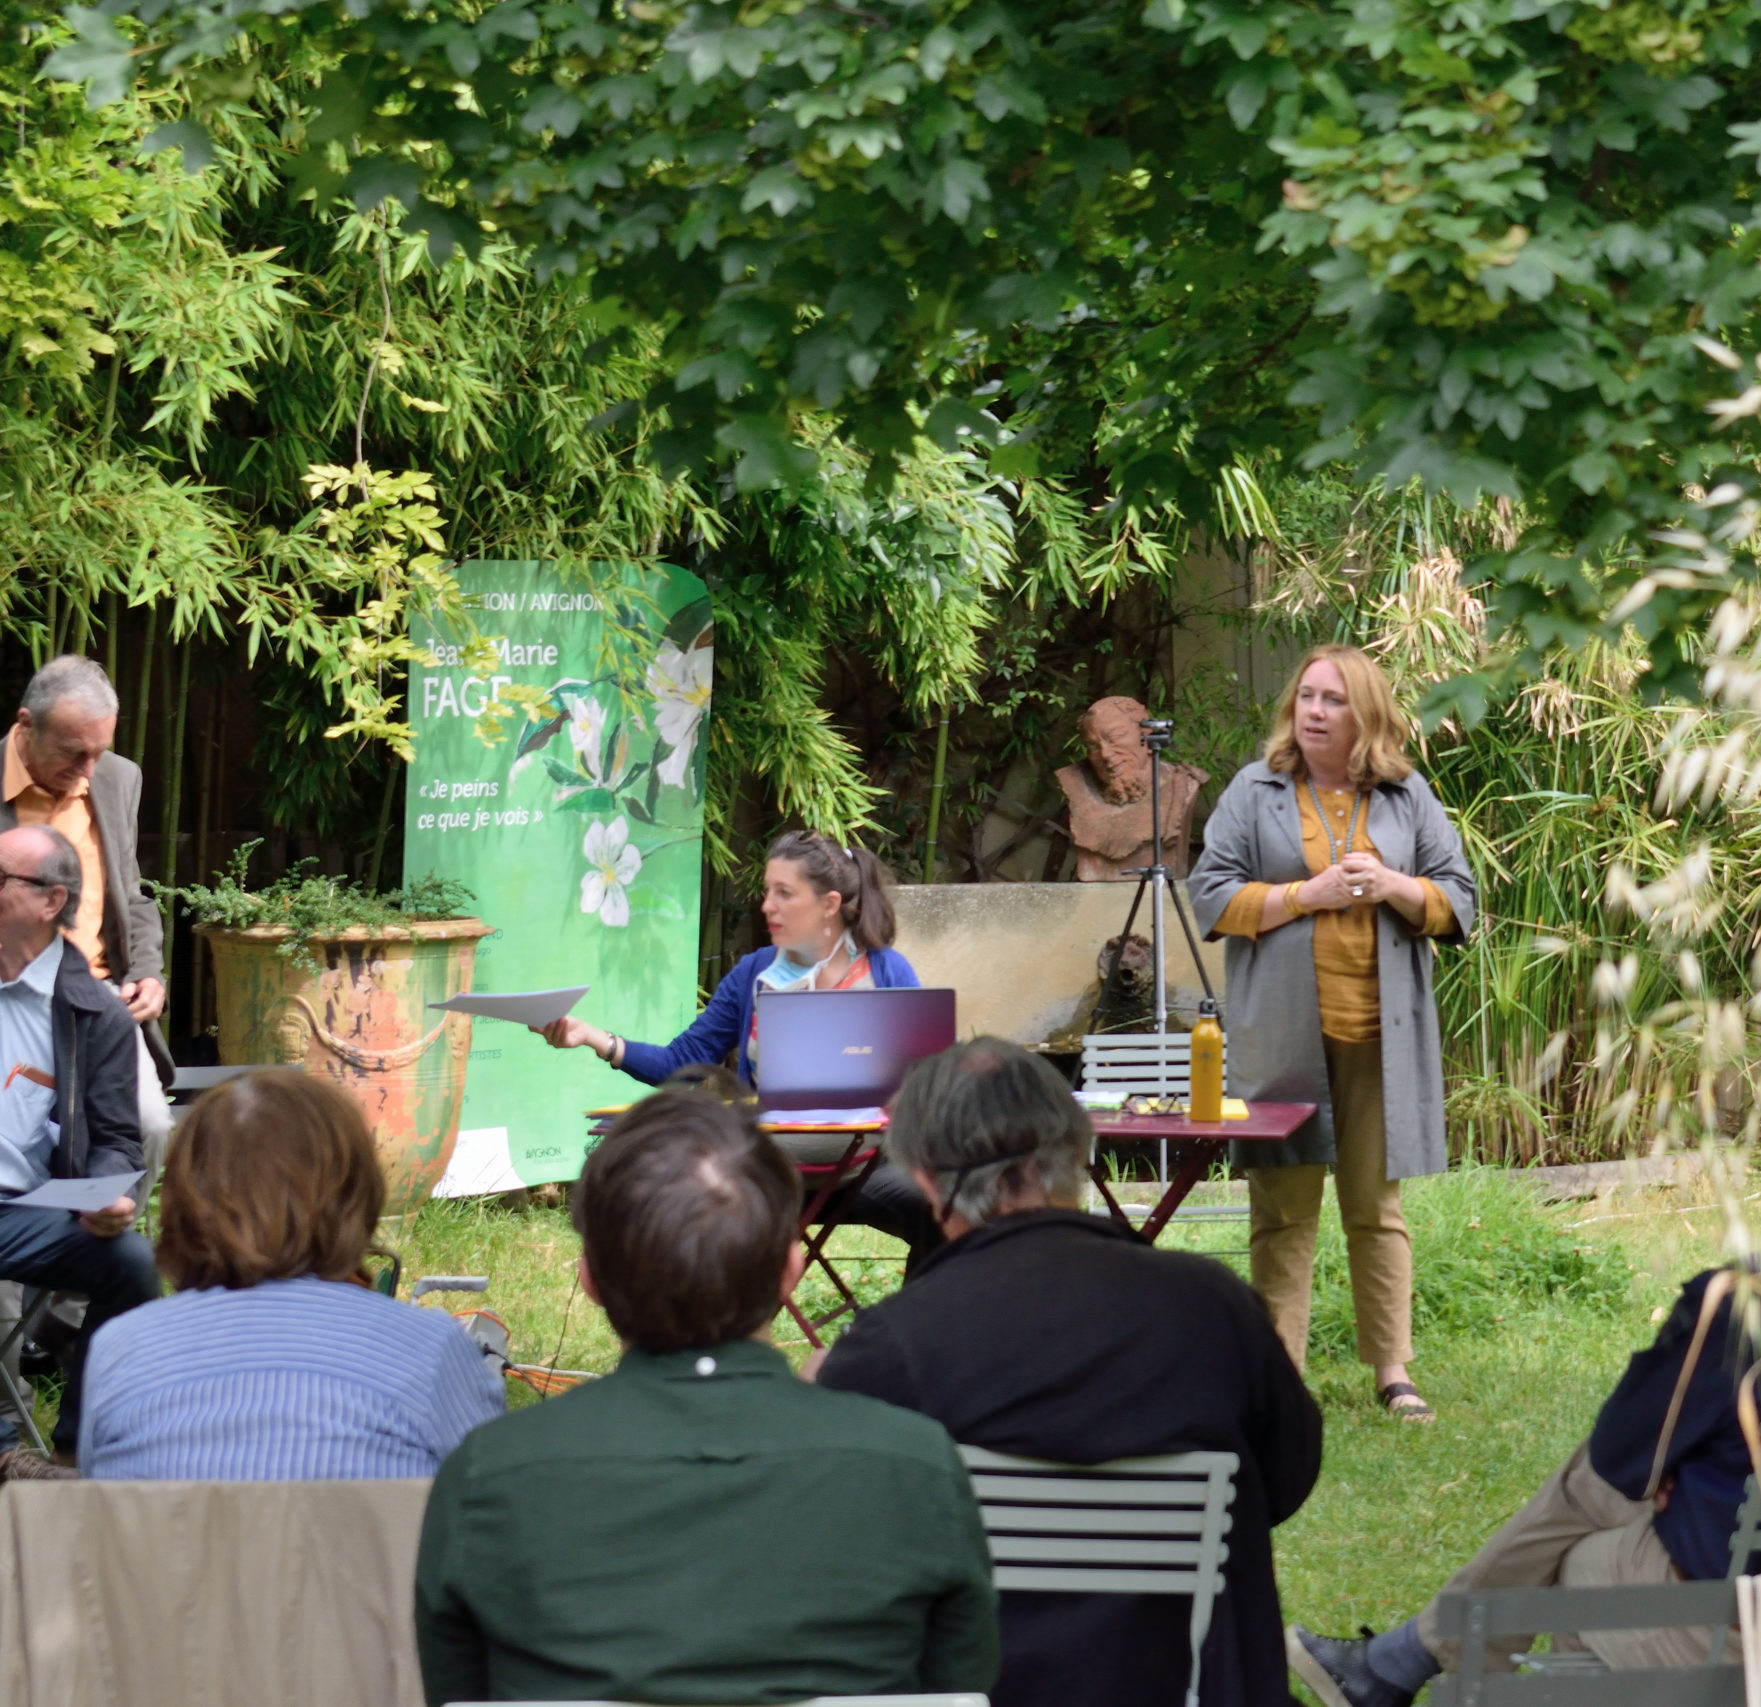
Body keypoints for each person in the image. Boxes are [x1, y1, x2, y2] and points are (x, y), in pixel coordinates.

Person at [1287, 1024, 1761, 1707]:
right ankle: (1399, 1662)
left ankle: (1409, 1664)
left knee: (1579, 1552)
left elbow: (1620, 1456)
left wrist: (1680, 1474)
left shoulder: (1745, 1300)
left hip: (1748, 1633)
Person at [413, 1082, 999, 1706]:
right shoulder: (916, 1465)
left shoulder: (488, 1475)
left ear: (589, 1279)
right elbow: (959, 1682)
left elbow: (456, 1687)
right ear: (790, 1271)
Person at [815, 1038, 1322, 1707]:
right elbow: (1285, 1478)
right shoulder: (1211, 1305)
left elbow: (836, 1544)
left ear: (927, 1180)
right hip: (1193, 1681)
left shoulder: (890, 1348)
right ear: (1079, 1153)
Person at [1190, 643, 1477, 1422]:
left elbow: (1461, 899)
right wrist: (1303, 894)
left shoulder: (1406, 794)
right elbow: (1210, 896)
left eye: (1332, 699)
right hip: (1283, 1035)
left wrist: (1396, 885)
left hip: (1381, 1036)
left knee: (1375, 1205)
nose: (1313, 711)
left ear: (1367, 715)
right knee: (1281, 1207)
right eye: (1306, 696)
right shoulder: (1254, 792)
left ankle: (1394, 1371)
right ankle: (1279, 1374)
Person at [79, 1069, 504, 1479]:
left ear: (183, 1199)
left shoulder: (118, 1349)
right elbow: (493, 1508)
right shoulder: (431, 1351)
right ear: (356, 1192)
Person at [534, 828, 941, 1254]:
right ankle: (718, 1316)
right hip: (763, 1174)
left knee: (943, 1206)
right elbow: (683, 1063)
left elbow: (927, 1084)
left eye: (784, 893)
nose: (767, 906)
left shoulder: (889, 972)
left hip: (864, 1170)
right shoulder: (753, 973)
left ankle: (912, 1321)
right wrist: (593, 1037)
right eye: (767, 891)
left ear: (829, 905)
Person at [0, 823, 159, 1471]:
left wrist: (110, 1193)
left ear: (50, 901)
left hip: (30, 1210)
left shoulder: (95, 1012)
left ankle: (71, 1454)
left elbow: (119, 1137)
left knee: (131, 1261)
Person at [0, 656, 171, 1151]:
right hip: (12, 998)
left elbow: (130, 897)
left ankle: (108, 1226)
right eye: (74, 753)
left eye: (100, 751)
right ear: (26, 725)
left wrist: (148, 972)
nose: (87, 771)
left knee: (151, 1128)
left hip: (98, 999)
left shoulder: (117, 779)